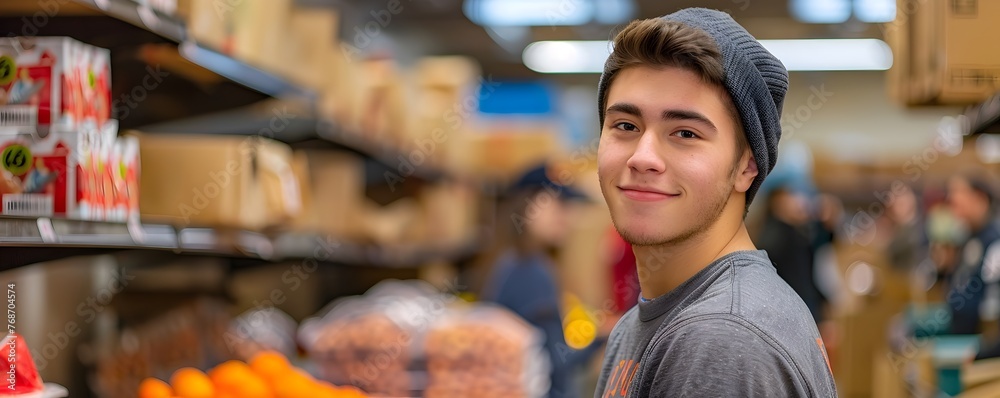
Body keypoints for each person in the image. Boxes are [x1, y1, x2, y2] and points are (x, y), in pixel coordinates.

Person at [592, 9, 837, 397]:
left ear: (747, 167)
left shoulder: (722, 335)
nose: (643, 157)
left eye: (685, 133)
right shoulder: (653, 320)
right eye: (625, 126)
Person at [480, 164, 606, 398]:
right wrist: (605, 337)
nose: (568, 217)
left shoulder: (509, 262)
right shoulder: (531, 272)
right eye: (561, 205)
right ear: (528, 204)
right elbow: (555, 365)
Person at [757, 187, 825, 323]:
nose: (798, 203)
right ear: (778, 203)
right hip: (795, 307)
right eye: (790, 198)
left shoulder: (790, 233)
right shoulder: (782, 236)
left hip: (792, 306)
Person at [944, 174, 1000, 336]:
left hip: (979, 338)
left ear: (979, 199)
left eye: (957, 193)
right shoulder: (969, 237)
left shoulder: (994, 242)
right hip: (957, 327)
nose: (951, 200)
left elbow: (989, 310)